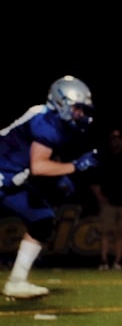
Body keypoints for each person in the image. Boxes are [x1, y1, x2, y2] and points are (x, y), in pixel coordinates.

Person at [1, 76, 98, 299]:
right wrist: (74, 167)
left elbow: (36, 164)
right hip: (2, 173)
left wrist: (58, 177)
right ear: (61, 102)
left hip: (12, 177)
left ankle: (16, 282)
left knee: (41, 219)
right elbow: (39, 166)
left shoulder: (56, 123)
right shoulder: (46, 121)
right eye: (77, 108)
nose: (80, 114)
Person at [89, 128, 122, 271]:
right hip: (108, 203)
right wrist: (100, 197)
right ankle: (104, 262)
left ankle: (117, 262)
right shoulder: (104, 158)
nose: (116, 141)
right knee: (105, 232)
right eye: (113, 138)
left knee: (121, 234)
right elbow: (94, 182)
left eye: (118, 138)